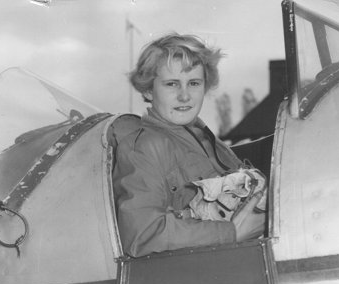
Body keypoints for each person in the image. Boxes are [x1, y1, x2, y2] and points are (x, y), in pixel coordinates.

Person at [113, 33, 266, 257]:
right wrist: (230, 233)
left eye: (194, 83)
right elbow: (142, 235)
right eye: (171, 84)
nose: (185, 96)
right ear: (148, 90)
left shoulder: (208, 140)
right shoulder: (145, 146)